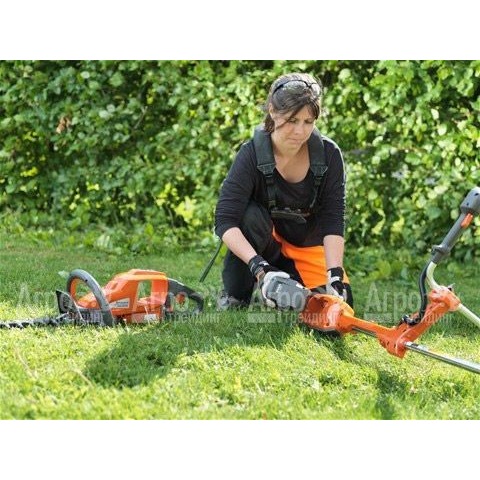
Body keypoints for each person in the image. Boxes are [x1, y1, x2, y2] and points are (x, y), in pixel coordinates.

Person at [214, 72, 353, 310]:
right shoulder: (251, 154)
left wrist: (335, 274)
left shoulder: (329, 154)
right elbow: (224, 220)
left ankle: (284, 287)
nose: (300, 131)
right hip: (262, 247)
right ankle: (244, 290)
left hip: (306, 247)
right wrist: (260, 268)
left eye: (308, 122)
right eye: (292, 120)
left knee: (334, 307)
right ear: (273, 111)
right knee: (248, 215)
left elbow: (333, 219)